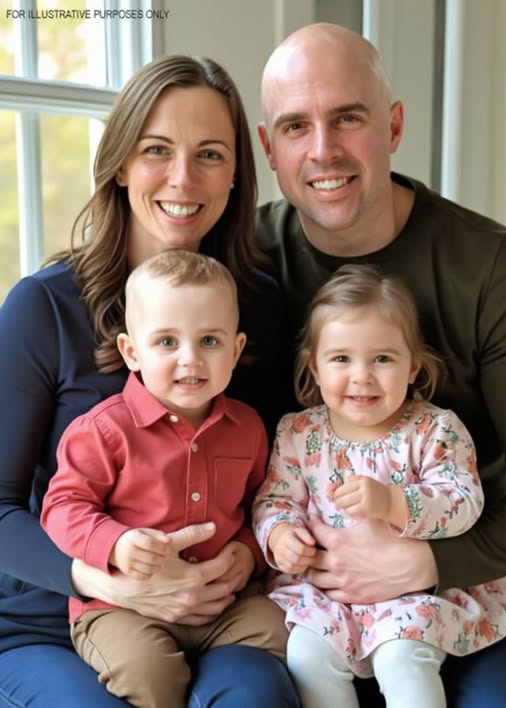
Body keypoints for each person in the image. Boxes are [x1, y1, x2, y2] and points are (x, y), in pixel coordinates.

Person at [0, 55, 298, 707]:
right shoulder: (42, 308)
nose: (183, 178)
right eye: (156, 149)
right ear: (120, 163)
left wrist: (248, 556)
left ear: (236, 176)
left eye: (210, 154)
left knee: (254, 695)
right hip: (55, 618)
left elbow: (272, 477)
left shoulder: (260, 305)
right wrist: (103, 578)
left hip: (215, 611)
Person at [255, 21, 506, 708]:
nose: (323, 149)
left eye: (348, 118)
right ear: (268, 147)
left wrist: (425, 562)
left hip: (456, 585)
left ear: (394, 125)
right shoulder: (245, 258)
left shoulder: (490, 267)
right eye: (296, 126)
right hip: (311, 599)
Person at [253, 264, 506, 708]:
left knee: (400, 657)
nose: (362, 376)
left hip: (412, 595)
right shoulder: (299, 432)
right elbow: (274, 500)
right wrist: (281, 535)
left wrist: (395, 502)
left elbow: (462, 502)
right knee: (306, 655)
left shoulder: (434, 430)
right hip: (330, 595)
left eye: (382, 359)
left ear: (413, 366)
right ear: (313, 366)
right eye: (341, 359)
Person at [41, 249, 288, 708]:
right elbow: (62, 507)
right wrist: (115, 543)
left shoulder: (249, 428)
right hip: (123, 608)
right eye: (167, 342)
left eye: (209, 341)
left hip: (223, 605)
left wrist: (249, 554)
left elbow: (262, 507)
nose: (190, 359)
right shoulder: (104, 430)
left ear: (236, 350)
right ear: (131, 352)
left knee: (288, 630)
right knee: (149, 672)